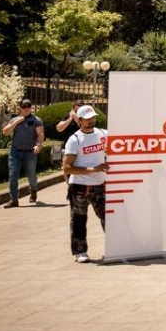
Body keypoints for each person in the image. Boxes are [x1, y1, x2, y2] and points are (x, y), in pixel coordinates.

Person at [62, 105, 108, 262]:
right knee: (78, 219)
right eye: (87, 119)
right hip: (79, 186)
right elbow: (68, 167)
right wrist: (94, 169)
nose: (91, 121)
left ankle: (115, 246)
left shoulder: (103, 133)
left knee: (108, 217)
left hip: (100, 184)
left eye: (93, 117)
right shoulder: (74, 140)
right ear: (79, 120)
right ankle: (80, 251)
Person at [2, 98, 44, 208]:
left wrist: (38, 145)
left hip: (30, 152)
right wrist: (16, 122)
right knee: (13, 175)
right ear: (20, 107)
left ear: (31, 108)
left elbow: (40, 134)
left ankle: (33, 190)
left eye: (28, 107)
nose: (26, 109)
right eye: (24, 107)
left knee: (31, 175)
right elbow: (5, 132)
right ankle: (14, 200)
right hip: (15, 152)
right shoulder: (14, 119)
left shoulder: (36, 120)